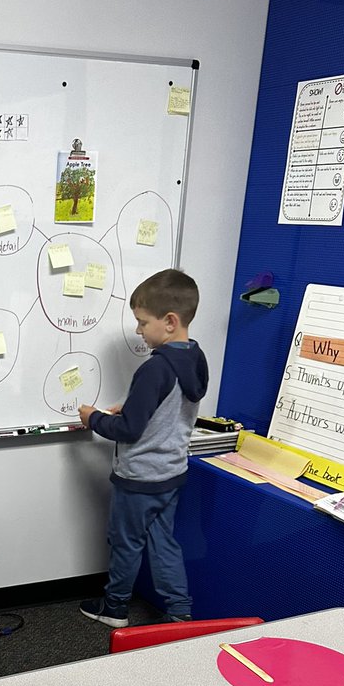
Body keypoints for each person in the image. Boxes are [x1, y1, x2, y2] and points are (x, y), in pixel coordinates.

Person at [77, 268, 209, 628]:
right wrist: (133, 404)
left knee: (126, 543)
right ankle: (180, 610)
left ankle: (115, 608)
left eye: (142, 322)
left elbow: (128, 430)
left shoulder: (155, 369)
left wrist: (92, 418)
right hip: (171, 472)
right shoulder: (194, 358)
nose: (138, 330)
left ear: (170, 321)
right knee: (164, 542)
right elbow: (166, 406)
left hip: (139, 478)